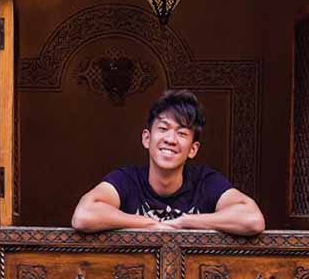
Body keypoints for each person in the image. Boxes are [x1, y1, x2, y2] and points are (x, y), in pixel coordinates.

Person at [71, 89, 265, 235]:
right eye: (163, 128)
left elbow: (252, 219)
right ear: (147, 138)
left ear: (193, 149)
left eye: (181, 133)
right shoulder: (128, 179)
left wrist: (185, 222)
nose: (170, 139)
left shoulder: (205, 182)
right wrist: (150, 224)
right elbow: (84, 215)